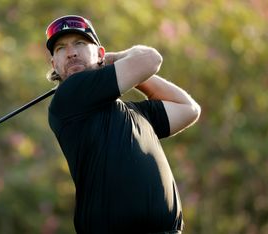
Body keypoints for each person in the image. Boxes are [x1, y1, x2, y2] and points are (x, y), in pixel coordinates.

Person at [44, 15, 201, 234]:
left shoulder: (134, 113)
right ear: (54, 65)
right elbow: (150, 59)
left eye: (79, 43)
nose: (71, 52)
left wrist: (111, 62)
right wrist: (114, 60)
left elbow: (189, 109)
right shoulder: (69, 95)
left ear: (100, 53)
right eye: (61, 48)